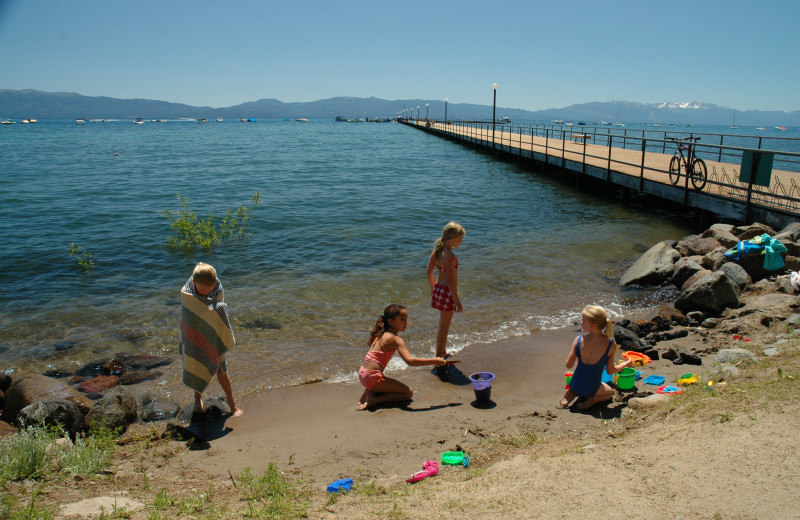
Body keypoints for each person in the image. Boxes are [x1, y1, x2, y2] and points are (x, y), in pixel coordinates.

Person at [180, 262, 244, 417]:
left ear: (214, 283)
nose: (204, 294)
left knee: (222, 367)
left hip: (214, 334)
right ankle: (197, 398)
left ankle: (232, 403)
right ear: (194, 282)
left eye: (207, 291)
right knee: (197, 361)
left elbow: (218, 310)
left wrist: (211, 312)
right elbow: (191, 314)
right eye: (201, 291)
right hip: (194, 333)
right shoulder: (186, 293)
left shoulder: (217, 288)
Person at [358, 304, 447, 410]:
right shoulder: (395, 339)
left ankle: (367, 395)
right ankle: (375, 400)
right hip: (372, 377)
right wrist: (434, 360)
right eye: (402, 319)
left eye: (406, 319)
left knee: (377, 376)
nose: (406, 322)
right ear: (391, 321)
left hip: (362, 374)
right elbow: (410, 361)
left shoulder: (380, 335)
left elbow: (372, 362)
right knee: (408, 393)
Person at [560, 305, 632, 410]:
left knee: (577, 382)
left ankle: (568, 395)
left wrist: (577, 357)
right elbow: (611, 370)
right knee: (609, 392)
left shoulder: (578, 340)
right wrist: (626, 363)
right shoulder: (611, 343)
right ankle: (592, 400)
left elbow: (568, 365)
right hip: (592, 388)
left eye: (582, 320)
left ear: (591, 325)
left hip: (575, 384)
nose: (580, 321)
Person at [426, 222, 466, 363]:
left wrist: (433, 287)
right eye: (460, 238)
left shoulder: (437, 251)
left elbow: (429, 272)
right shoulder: (451, 257)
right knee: (444, 326)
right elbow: (451, 283)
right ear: (452, 237)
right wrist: (457, 300)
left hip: (438, 290)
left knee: (443, 325)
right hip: (447, 293)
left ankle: (442, 352)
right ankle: (439, 355)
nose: (461, 241)